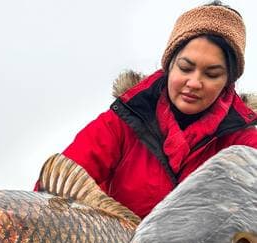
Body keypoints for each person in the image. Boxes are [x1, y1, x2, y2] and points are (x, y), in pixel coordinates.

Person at [35, 1, 257, 219]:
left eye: (212, 74)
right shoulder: (121, 122)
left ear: (229, 81)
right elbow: (54, 192)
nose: (194, 82)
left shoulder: (246, 144)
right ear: (169, 65)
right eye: (185, 68)